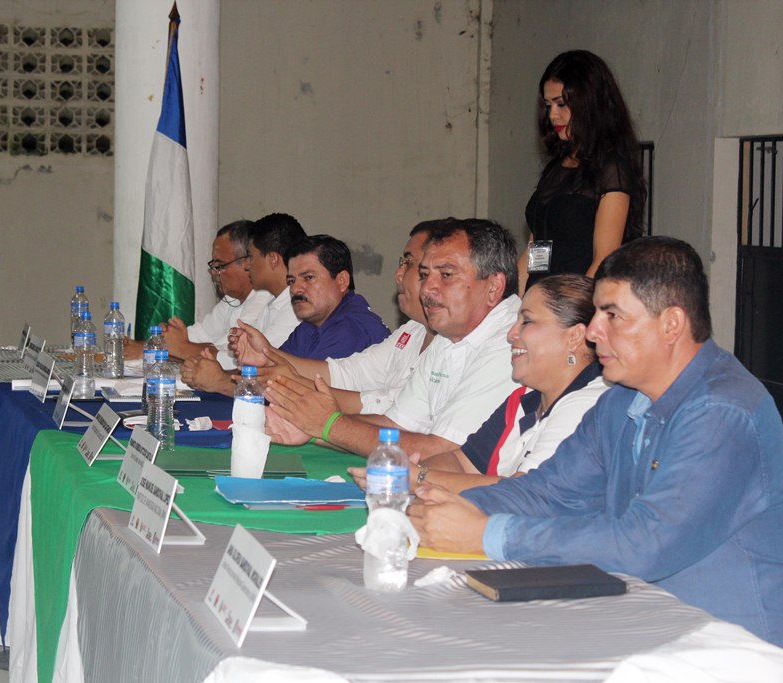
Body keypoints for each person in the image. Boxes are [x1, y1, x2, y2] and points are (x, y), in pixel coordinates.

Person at [410, 237, 783, 647]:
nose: (592, 331)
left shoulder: (722, 411)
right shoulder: (621, 400)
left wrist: (484, 534)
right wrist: (440, 508)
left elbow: (646, 543)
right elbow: (547, 493)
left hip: (730, 647)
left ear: (671, 324)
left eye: (611, 315)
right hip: (648, 625)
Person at [264, 218, 521, 458]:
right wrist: (309, 429)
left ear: (494, 286)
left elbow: (442, 450)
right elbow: (395, 425)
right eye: (424, 275)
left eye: (446, 274)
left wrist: (327, 425)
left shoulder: (511, 342)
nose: (428, 289)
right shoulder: (447, 336)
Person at [350, 274, 606, 493]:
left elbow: (525, 493)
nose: (510, 334)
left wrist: (417, 479)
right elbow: (461, 462)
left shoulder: (588, 404)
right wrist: (412, 473)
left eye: (526, 322)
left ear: (575, 336)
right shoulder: (522, 400)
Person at [234, 222, 436, 415]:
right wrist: (267, 355)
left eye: (308, 278)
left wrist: (276, 371)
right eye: (292, 281)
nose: (295, 289)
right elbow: (347, 374)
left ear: (341, 281)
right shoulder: (411, 330)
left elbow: (386, 408)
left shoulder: (352, 327)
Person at [518, 50, 646, 294]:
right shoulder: (556, 167)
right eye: (548, 105)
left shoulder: (612, 169)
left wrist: (572, 314)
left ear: (589, 103)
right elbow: (537, 247)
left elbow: (604, 259)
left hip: (575, 308)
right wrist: (513, 303)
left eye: (561, 104)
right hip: (543, 303)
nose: (553, 115)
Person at [180, 212, 304, 393]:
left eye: (251, 258)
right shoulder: (274, 302)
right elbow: (243, 355)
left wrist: (212, 369)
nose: (247, 266)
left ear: (273, 260)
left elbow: (266, 370)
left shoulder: (295, 309)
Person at [126, 220, 271, 368]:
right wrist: (155, 342)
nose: (214, 273)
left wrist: (157, 349)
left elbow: (225, 356)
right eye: (213, 266)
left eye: (219, 266)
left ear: (247, 263)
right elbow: (196, 337)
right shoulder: (232, 299)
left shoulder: (263, 300)